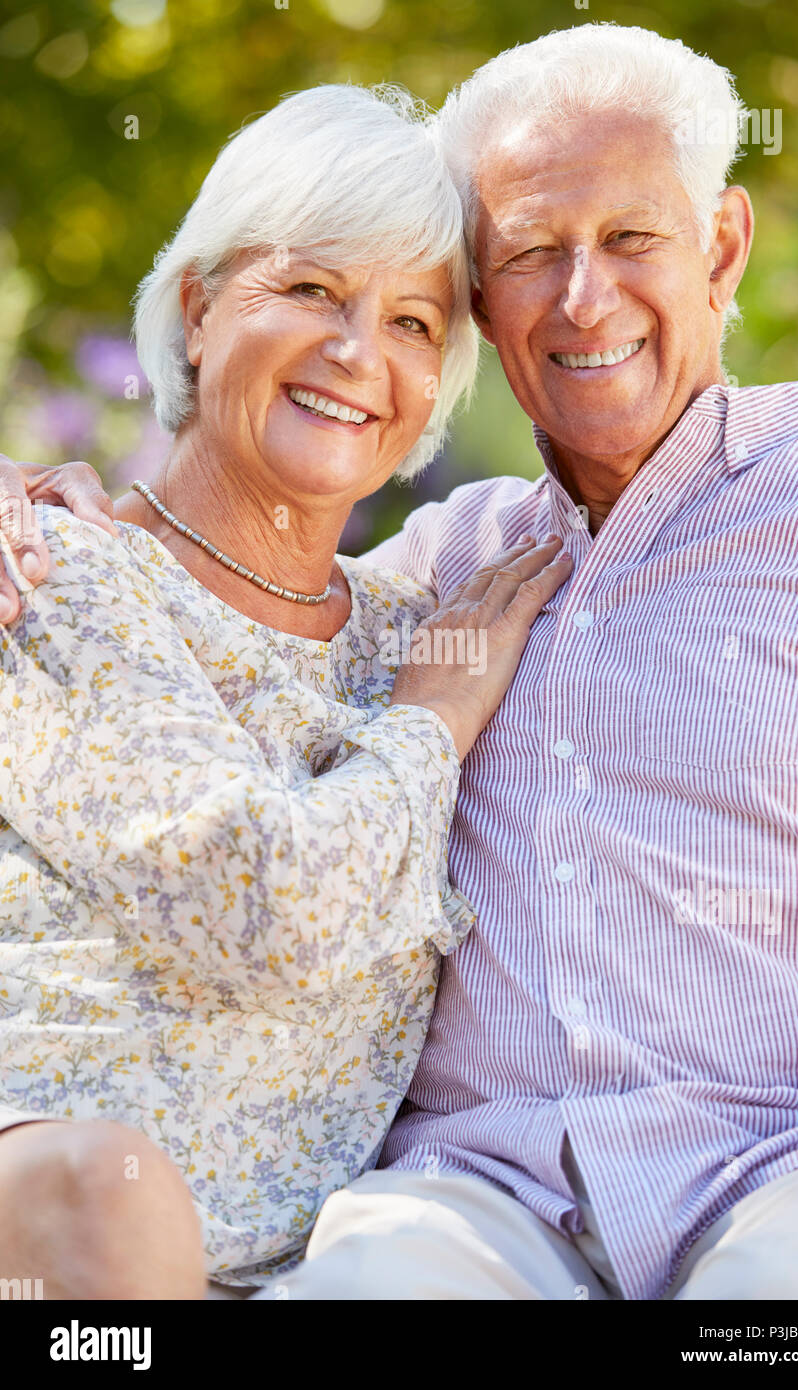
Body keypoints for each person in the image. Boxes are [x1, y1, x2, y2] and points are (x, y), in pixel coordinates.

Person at [4, 23, 798, 1302]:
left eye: (631, 238)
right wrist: (42, 506)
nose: (582, 297)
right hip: (466, 1197)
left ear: (721, 248)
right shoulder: (443, 580)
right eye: (526, 253)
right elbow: (232, 611)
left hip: (791, 1163)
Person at [0, 82, 573, 1299]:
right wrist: (433, 724)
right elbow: (267, 903)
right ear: (199, 310)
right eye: (312, 289)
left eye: (414, 322)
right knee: (116, 1191)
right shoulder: (66, 579)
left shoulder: (417, 631)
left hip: (327, 1264)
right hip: (70, 1250)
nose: (360, 353)